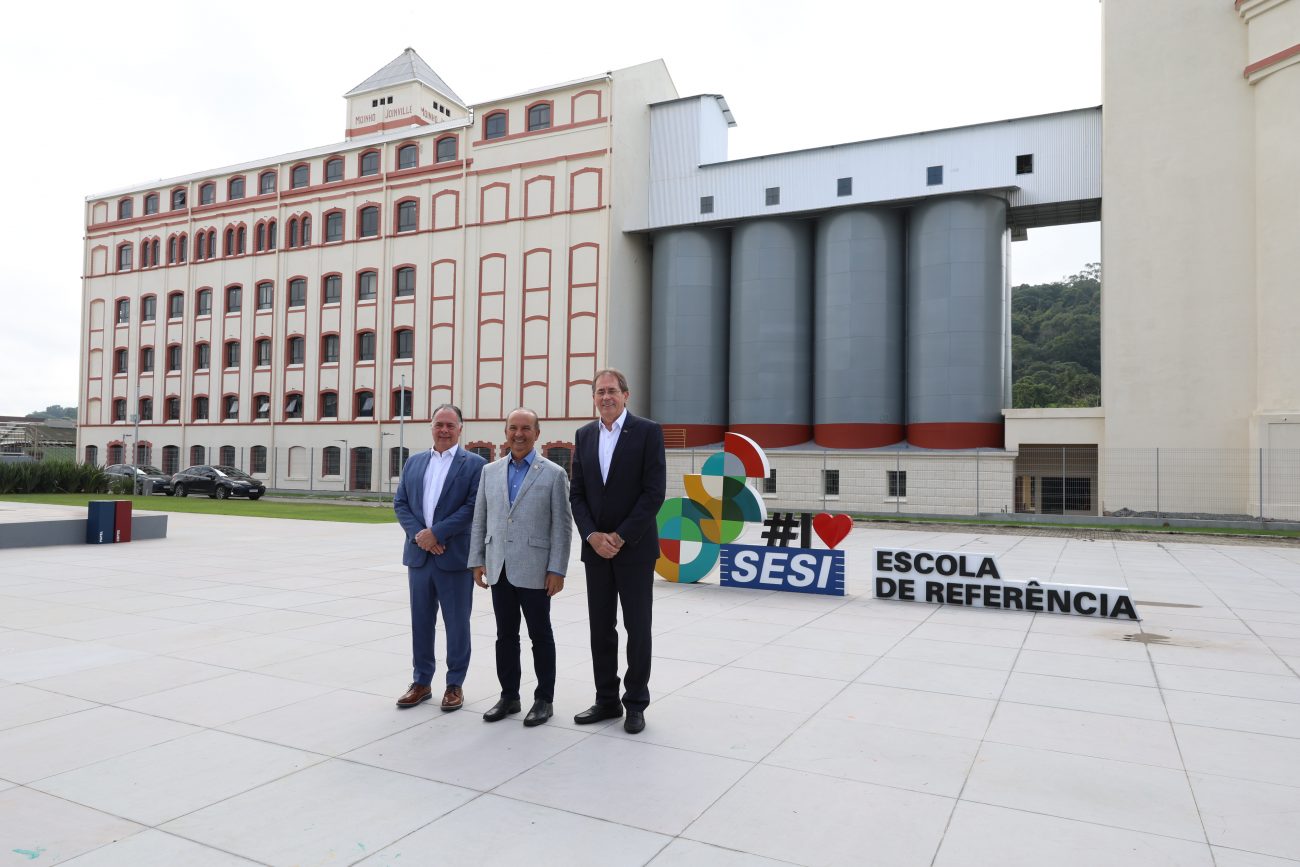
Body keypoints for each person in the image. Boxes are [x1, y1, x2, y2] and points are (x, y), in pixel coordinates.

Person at [569, 369, 666, 734]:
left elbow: (653, 492)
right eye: (599, 392)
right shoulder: (585, 435)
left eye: (612, 391)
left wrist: (621, 536)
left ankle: (636, 702)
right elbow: (577, 493)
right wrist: (592, 535)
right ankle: (606, 699)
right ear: (593, 397)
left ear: (626, 395)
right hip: (596, 551)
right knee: (601, 628)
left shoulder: (647, 432)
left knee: (637, 628)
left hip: (635, 549)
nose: (606, 397)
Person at [468, 408, 573, 727]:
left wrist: (558, 569)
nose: (519, 434)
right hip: (498, 566)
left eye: (526, 428)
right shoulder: (491, 471)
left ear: (537, 433)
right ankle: (509, 696)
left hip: (537, 570)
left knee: (541, 635)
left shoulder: (554, 473)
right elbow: (479, 519)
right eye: (513, 428)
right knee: (505, 636)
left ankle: (544, 699)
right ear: (505, 431)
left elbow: (562, 526)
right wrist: (476, 560)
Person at [392, 404, 487, 711]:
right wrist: (422, 535)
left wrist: (438, 534)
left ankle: (454, 684)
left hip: (454, 558)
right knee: (421, 622)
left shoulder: (474, 464)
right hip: (420, 557)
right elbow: (401, 503)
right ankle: (421, 682)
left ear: (461, 428)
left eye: (450, 425)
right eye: (439, 424)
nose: (444, 430)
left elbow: (473, 507)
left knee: (457, 623)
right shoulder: (414, 462)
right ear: (430, 427)